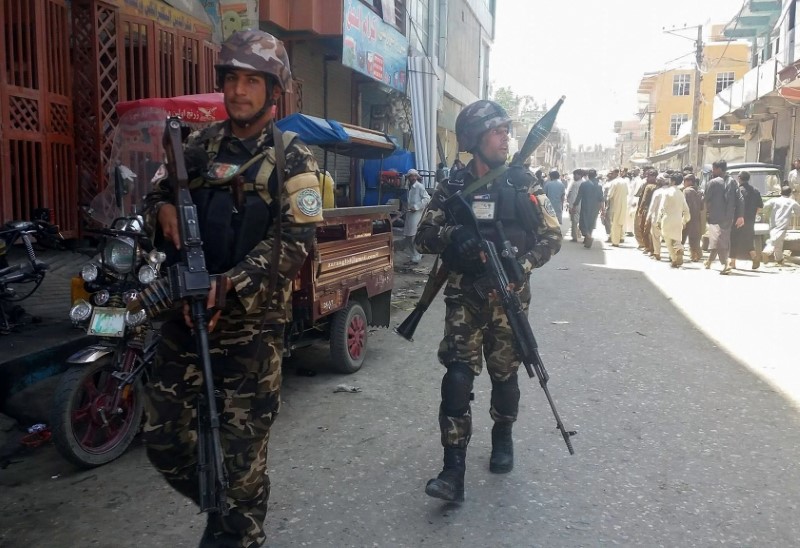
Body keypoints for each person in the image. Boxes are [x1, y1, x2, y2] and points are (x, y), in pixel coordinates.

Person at [142, 29, 323, 548]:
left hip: (250, 332)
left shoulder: (295, 159)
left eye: (251, 81)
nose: (238, 91)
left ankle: (237, 529)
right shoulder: (198, 147)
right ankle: (218, 505)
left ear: (273, 91)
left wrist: (231, 284)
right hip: (185, 315)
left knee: (241, 456)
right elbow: (155, 194)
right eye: (232, 79)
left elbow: (296, 242)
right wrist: (165, 208)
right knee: (163, 438)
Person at [413, 99, 561, 503]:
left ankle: (503, 434)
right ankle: (453, 468)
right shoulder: (452, 187)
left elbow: (553, 236)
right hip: (465, 297)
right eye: (497, 132)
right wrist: (451, 238)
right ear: (474, 139)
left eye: (506, 131)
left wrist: (523, 265)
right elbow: (423, 235)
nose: (505, 139)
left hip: (509, 299)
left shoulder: (522, 182)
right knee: (458, 378)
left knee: (504, 374)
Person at [704, 159, 743, 275]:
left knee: (719, 241)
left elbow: (705, 199)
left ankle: (725, 264)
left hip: (715, 217)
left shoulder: (713, 182)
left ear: (719, 169)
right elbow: (740, 199)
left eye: (714, 168)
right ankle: (709, 261)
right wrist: (740, 216)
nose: (712, 170)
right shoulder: (733, 181)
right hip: (728, 217)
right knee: (720, 240)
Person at [729, 171, 763, 270]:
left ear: (739, 178)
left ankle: (733, 262)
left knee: (733, 240)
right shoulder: (755, 191)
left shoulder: (738, 191)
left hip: (737, 219)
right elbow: (759, 207)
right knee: (748, 240)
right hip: (750, 220)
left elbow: (733, 206)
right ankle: (754, 256)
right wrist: (752, 216)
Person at [659, 172, 691, 267]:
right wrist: (685, 220)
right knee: (677, 240)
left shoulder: (667, 192)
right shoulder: (681, 194)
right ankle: (679, 248)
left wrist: (658, 219)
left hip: (667, 219)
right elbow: (686, 209)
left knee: (668, 241)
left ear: (672, 181)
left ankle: (674, 259)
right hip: (678, 220)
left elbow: (662, 207)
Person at [762, 185, 800, 264]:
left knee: (778, 241)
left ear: (780, 192)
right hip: (783, 224)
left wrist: (765, 213)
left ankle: (779, 259)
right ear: (790, 194)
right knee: (775, 240)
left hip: (773, 223)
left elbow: (765, 205)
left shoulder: (775, 200)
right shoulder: (792, 202)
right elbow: (798, 212)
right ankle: (766, 251)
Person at [404, 168, 429, 264]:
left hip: (416, 214)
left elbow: (427, 198)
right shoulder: (408, 187)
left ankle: (416, 257)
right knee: (408, 236)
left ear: (416, 177)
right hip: (410, 214)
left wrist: (416, 207)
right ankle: (416, 254)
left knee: (412, 237)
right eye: (411, 176)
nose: (412, 178)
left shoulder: (419, 186)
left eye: (414, 176)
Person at [574, 168, 604, 248]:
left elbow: (579, 196)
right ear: (596, 175)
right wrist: (603, 209)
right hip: (595, 207)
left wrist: (574, 205)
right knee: (591, 223)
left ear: (588, 175)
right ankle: (587, 240)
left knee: (583, 224)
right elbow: (601, 198)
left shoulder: (584, 184)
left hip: (585, 206)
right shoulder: (599, 185)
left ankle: (588, 237)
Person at [635, 169, 659, 253]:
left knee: (644, 228)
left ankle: (648, 247)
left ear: (653, 177)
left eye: (648, 176)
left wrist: (640, 210)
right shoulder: (659, 185)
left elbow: (644, 199)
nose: (647, 178)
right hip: (657, 211)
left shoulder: (648, 186)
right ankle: (652, 248)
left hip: (647, 210)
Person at [681, 174, 704, 262]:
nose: (684, 183)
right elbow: (702, 207)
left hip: (687, 217)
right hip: (696, 218)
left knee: (682, 237)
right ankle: (696, 254)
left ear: (689, 181)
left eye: (685, 181)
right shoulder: (699, 191)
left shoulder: (686, 191)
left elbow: (684, 205)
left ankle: (677, 254)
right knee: (695, 238)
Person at [647, 173, 669, 260]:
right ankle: (672, 255)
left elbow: (653, 206)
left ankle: (657, 253)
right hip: (668, 218)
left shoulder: (657, 192)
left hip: (657, 218)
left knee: (656, 236)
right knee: (668, 237)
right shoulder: (671, 191)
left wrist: (648, 217)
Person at [606, 167, 629, 246]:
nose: (611, 175)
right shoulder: (624, 182)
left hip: (615, 205)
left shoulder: (614, 182)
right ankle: (621, 237)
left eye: (612, 173)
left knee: (615, 223)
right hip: (623, 205)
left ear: (616, 173)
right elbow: (627, 192)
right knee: (620, 222)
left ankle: (615, 242)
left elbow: (610, 195)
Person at [566, 169, 585, 242]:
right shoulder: (582, 183)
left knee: (574, 221)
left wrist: (571, 206)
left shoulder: (577, 183)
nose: (574, 176)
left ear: (580, 175)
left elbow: (574, 196)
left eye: (575, 175)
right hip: (579, 204)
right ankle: (579, 234)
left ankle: (575, 237)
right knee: (577, 220)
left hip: (575, 205)